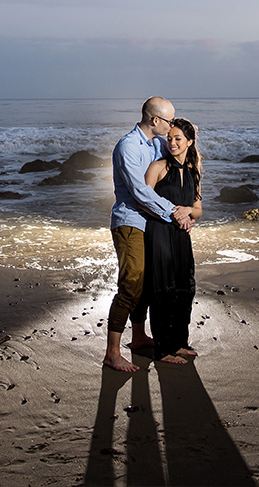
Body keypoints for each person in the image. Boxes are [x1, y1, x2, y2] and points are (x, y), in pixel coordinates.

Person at [104, 97, 195, 373]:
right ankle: (112, 353)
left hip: (151, 223)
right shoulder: (128, 146)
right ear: (155, 120)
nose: (170, 129)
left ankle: (139, 336)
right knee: (131, 283)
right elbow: (141, 193)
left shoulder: (156, 144)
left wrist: (189, 134)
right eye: (169, 122)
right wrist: (176, 212)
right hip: (130, 221)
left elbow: (178, 154)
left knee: (147, 283)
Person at [143, 118, 203, 364]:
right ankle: (163, 349)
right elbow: (144, 202)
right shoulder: (157, 167)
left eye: (178, 139)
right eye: (169, 138)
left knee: (185, 288)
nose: (173, 143)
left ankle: (179, 343)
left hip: (182, 235)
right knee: (163, 290)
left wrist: (187, 212)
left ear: (189, 141)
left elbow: (198, 209)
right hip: (159, 233)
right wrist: (173, 215)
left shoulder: (194, 172)